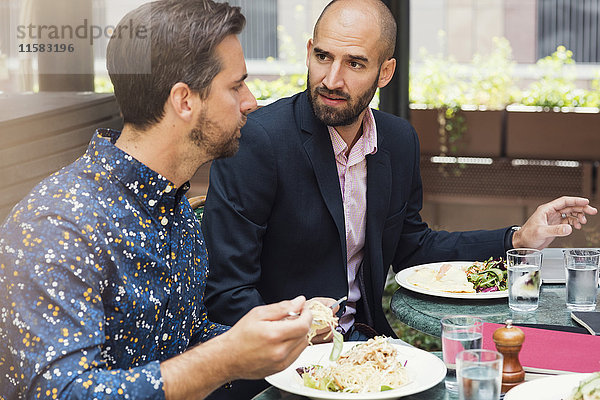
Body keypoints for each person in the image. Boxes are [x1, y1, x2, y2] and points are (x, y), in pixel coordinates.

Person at [203, 0, 597, 339]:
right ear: (309, 51)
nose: (331, 79)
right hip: (280, 362)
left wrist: (517, 238)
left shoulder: (397, 140)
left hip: (368, 342)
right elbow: (229, 293)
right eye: (323, 56)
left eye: (355, 63)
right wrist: (301, 338)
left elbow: (414, 249)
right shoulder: (257, 140)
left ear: (385, 72)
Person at [0, 1, 314, 399]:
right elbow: (63, 393)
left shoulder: (174, 207)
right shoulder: (56, 225)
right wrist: (226, 357)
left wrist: (278, 333)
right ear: (184, 101)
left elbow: (180, 340)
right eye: (236, 86)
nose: (250, 101)